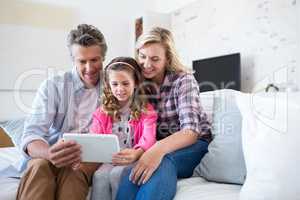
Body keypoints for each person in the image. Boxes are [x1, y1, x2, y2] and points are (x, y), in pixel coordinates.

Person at [116, 27, 212, 200]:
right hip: (158, 146)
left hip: (194, 145)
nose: (146, 64)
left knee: (164, 160)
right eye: (142, 56)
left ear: (167, 59)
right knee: (133, 171)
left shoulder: (184, 81)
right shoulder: (139, 84)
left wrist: (156, 150)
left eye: (155, 59)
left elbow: (190, 132)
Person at [16, 24, 107, 200]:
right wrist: (49, 154)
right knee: (39, 167)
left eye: (95, 60)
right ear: (73, 60)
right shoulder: (53, 86)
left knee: (74, 171)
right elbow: (31, 134)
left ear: (103, 57)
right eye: (82, 61)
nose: (89, 68)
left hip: (88, 158)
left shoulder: (113, 86)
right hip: (51, 152)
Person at [89, 57, 157, 200]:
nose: (120, 89)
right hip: (110, 159)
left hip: (134, 157)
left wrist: (137, 153)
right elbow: (94, 137)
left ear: (136, 83)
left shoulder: (146, 110)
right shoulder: (102, 112)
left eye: (125, 83)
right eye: (115, 84)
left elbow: (149, 138)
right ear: (109, 85)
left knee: (116, 175)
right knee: (99, 176)